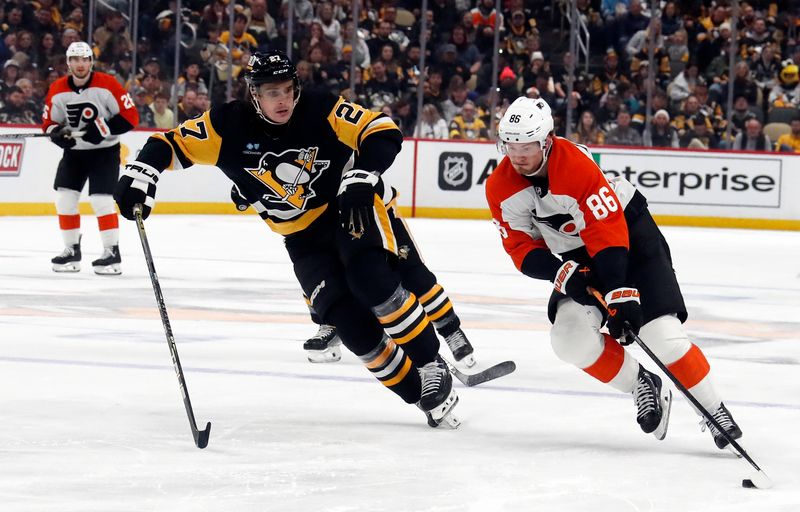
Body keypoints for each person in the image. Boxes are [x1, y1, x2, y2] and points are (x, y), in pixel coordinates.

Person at [113, 50, 460, 428]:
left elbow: (382, 130)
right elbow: (170, 143)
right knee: (348, 323)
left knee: (370, 280)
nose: (282, 100)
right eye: (271, 92)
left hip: (347, 211)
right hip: (300, 237)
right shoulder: (227, 125)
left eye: (287, 90)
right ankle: (419, 393)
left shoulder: (320, 108)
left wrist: (362, 174)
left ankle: (430, 363)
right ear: (254, 94)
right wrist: (141, 171)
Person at [485, 96, 743, 449]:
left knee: (660, 335)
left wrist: (620, 294)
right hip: (580, 252)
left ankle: (715, 410)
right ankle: (642, 383)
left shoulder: (573, 165)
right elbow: (519, 246)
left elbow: (607, 230)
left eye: (526, 146)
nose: (517, 156)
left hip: (631, 236)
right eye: (509, 146)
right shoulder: (500, 186)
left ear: (547, 141)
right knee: (569, 339)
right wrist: (563, 273)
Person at [232, 184, 477, 367]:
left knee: (413, 275)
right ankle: (330, 325)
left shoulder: (331, 122)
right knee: (321, 274)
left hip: (371, 211)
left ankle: (450, 330)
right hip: (320, 222)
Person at [42, 41, 139, 275]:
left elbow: (130, 116)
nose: (80, 64)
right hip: (74, 153)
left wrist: (103, 129)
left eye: (85, 59)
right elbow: (49, 123)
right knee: (64, 199)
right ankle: (71, 250)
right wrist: (57, 135)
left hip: (105, 152)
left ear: (91, 62)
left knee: (101, 200)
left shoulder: (108, 84)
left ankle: (111, 252)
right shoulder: (57, 88)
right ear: (68, 63)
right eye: (75, 59)